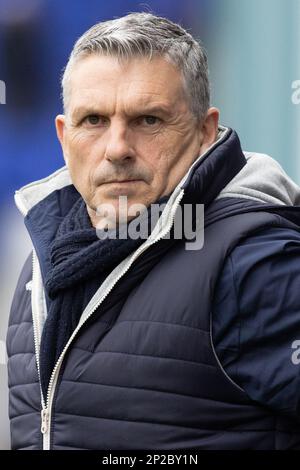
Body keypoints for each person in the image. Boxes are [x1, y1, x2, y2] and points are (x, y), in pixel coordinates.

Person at [6, 12, 300, 450]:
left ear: (205, 132)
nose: (118, 148)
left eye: (148, 121)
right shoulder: (43, 263)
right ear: (64, 137)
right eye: (94, 121)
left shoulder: (255, 261)